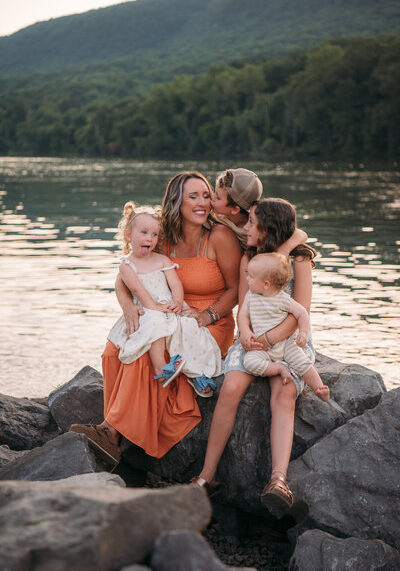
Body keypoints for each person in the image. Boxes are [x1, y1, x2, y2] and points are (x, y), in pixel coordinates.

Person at [70, 171, 242, 466]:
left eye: (206, 195)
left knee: (144, 352)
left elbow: (237, 288)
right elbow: (125, 276)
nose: (202, 203)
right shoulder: (163, 237)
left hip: (207, 322)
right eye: (193, 196)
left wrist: (206, 315)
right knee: (116, 347)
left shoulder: (219, 236)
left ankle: (111, 433)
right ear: (177, 202)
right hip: (165, 315)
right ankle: (116, 425)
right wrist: (127, 307)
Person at [191, 197, 319, 519]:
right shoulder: (250, 256)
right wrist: (248, 338)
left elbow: (300, 310)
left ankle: (279, 480)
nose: (245, 228)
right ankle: (207, 475)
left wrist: (269, 340)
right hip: (250, 340)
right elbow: (243, 308)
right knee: (231, 388)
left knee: (285, 391)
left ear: (268, 228)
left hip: (289, 340)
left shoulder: (299, 261)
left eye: (251, 224)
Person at [107, 201, 222, 396]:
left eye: (154, 235)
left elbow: (176, 284)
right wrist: (153, 308)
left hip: (169, 305)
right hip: (147, 308)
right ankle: (161, 368)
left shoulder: (161, 260)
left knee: (191, 327)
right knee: (155, 323)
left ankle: (198, 373)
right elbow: (137, 289)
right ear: (128, 235)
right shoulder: (127, 265)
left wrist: (177, 301)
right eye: (144, 232)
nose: (149, 238)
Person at [240, 252, 329, 401]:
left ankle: (319, 388)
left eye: (251, 277)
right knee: (249, 362)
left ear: (266, 284)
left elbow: (302, 313)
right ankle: (279, 369)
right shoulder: (250, 296)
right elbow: (243, 315)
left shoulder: (283, 298)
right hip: (263, 348)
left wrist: (303, 333)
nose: (247, 279)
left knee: (301, 361)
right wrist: (245, 331)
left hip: (286, 342)